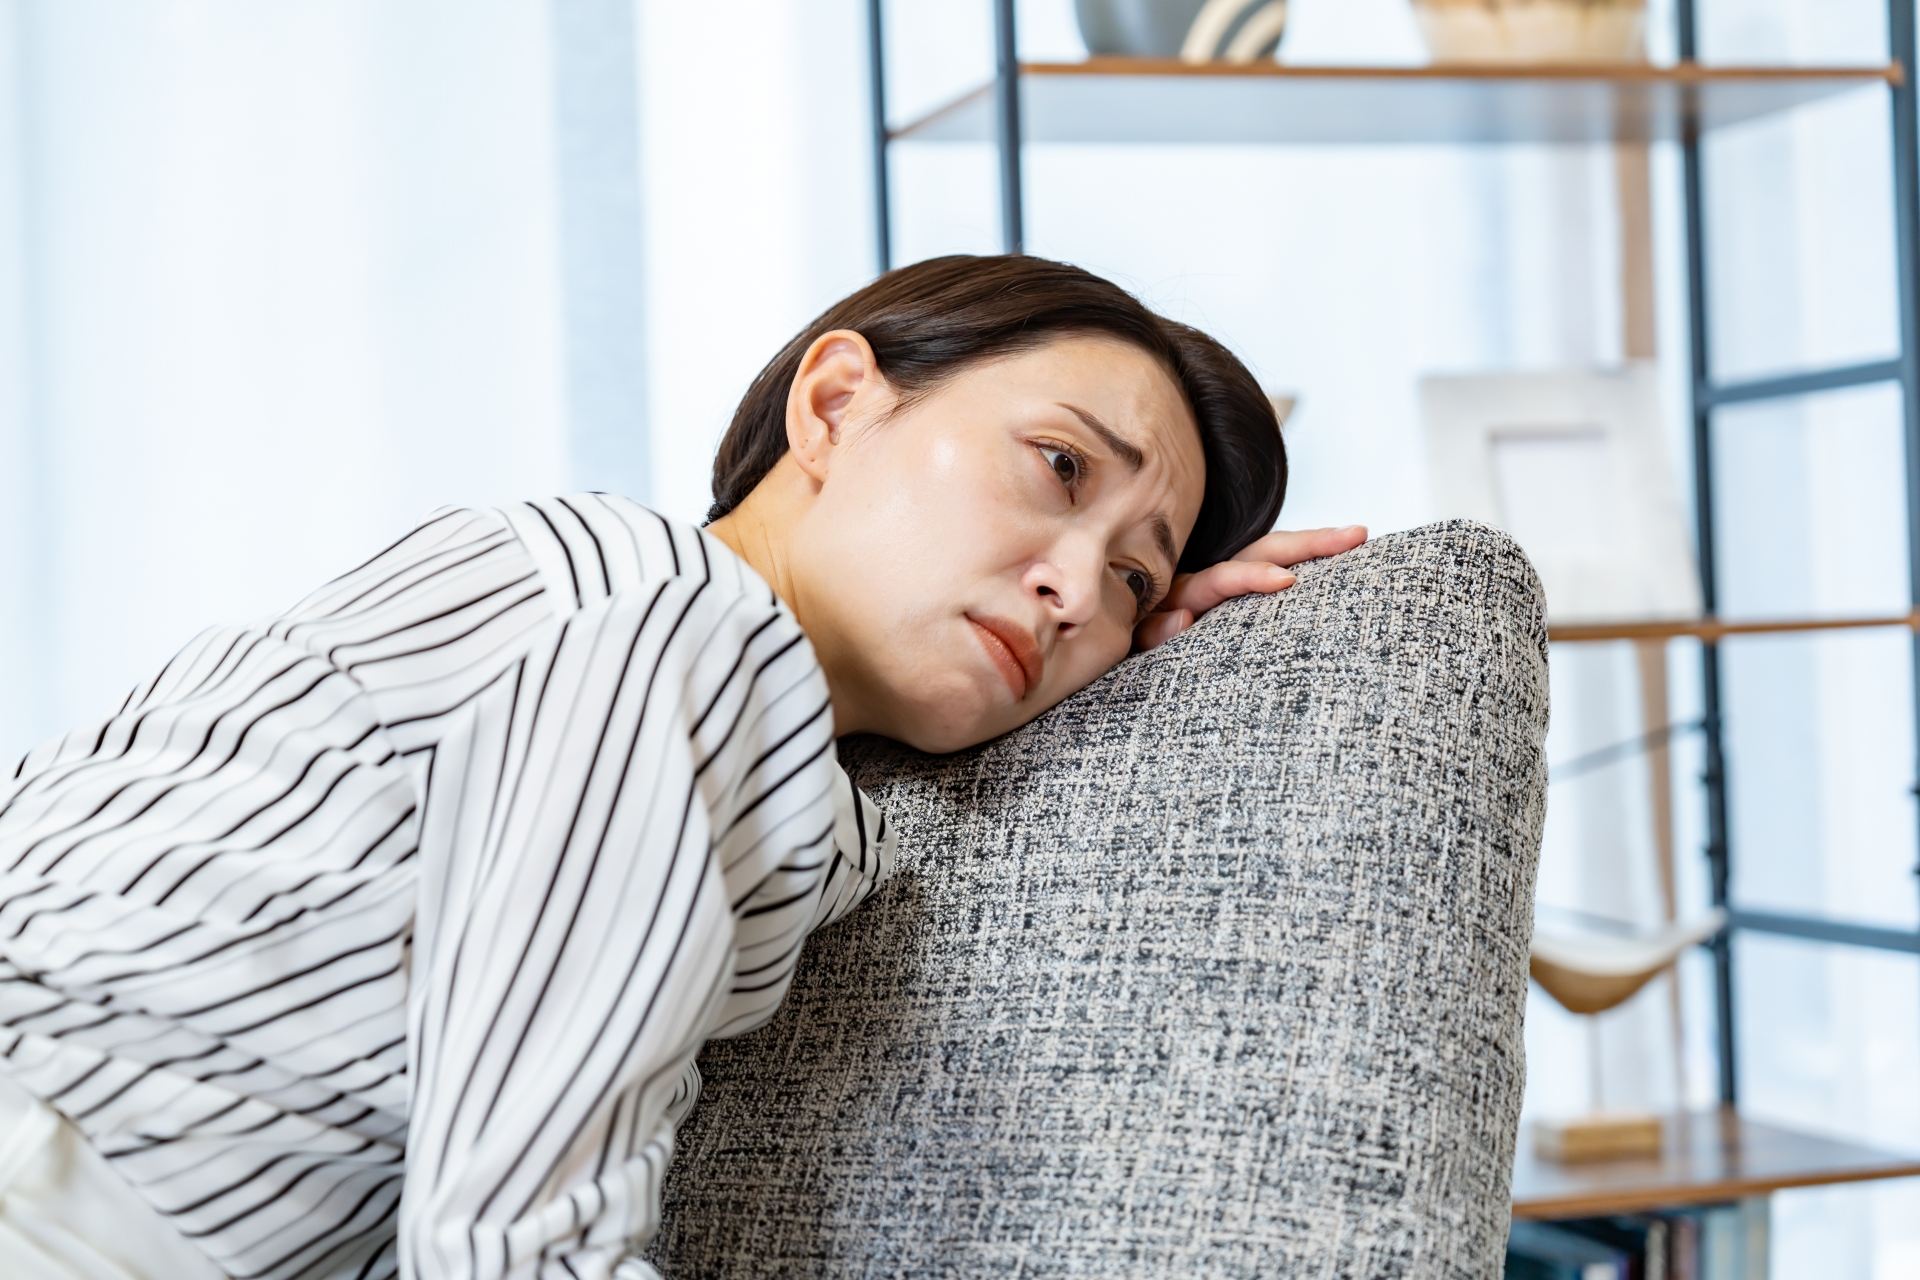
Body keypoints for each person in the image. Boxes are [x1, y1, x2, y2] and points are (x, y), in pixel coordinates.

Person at [0, 255, 1364, 1280]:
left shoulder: (681, 670)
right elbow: (513, 1244)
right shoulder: (675, 627)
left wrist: (1171, 666)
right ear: (836, 404)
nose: (1074, 587)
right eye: (1059, 467)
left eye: (1131, 577)